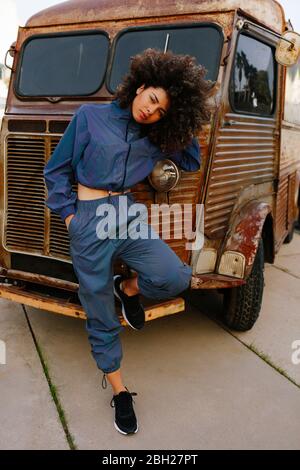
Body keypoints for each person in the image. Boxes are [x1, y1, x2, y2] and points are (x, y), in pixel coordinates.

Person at [43, 48, 211, 435]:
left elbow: (190, 162)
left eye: (162, 111)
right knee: (99, 310)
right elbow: (56, 171)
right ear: (140, 85)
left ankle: (130, 287)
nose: (151, 111)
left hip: (128, 216)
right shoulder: (90, 117)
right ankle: (119, 390)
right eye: (152, 99)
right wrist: (71, 217)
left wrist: (179, 126)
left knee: (175, 277)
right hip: (88, 219)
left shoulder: (155, 133)